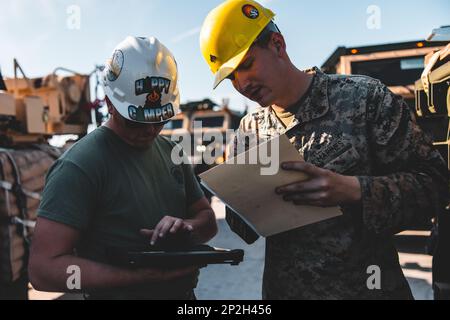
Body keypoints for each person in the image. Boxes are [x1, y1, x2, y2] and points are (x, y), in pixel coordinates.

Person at [199, 0, 448, 299]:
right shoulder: (249, 130)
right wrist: (237, 198)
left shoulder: (365, 99)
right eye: (231, 77)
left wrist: (353, 190)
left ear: (277, 44)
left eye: (246, 64)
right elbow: (245, 230)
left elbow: (435, 186)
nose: (242, 83)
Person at [29, 36, 218, 300]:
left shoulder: (171, 151)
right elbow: (43, 270)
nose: (151, 130)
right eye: (136, 122)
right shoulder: (79, 166)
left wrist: (187, 228)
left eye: (160, 119)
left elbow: (208, 222)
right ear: (109, 103)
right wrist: (139, 278)